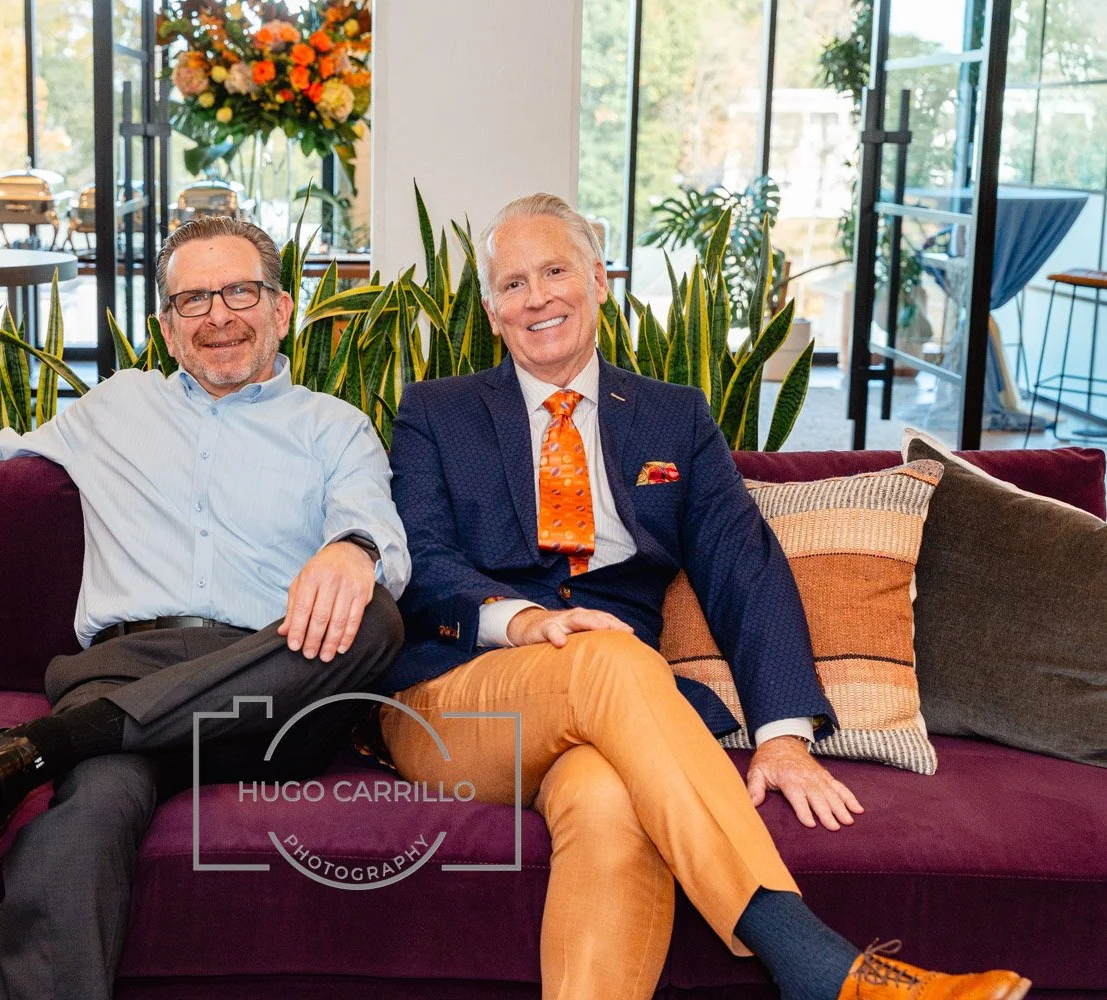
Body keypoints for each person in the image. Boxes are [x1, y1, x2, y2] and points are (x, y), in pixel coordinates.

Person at [377, 193, 1029, 1000]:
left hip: (606, 714)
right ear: (490, 309)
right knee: (604, 653)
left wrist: (783, 733)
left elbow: (743, 569)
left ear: (600, 279)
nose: (536, 297)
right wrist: (533, 621)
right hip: (461, 697)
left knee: (610, 802)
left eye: (554, 271)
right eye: (513, 284)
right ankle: (818, 964)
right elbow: (424, 565)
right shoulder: (435, 413)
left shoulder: (674, 417)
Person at [0, 216, 410, 1000]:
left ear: (280, 308)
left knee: (374, 616)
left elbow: (379, 535)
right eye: (194, 300)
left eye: (240, 291)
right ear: (169, 330)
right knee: (84, 817)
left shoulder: (334, 428)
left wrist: (352, 550)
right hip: (127, 668)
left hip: (266, 691)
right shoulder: (114, 408)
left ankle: (36, 747)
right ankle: (74, 746)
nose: (219, 316)